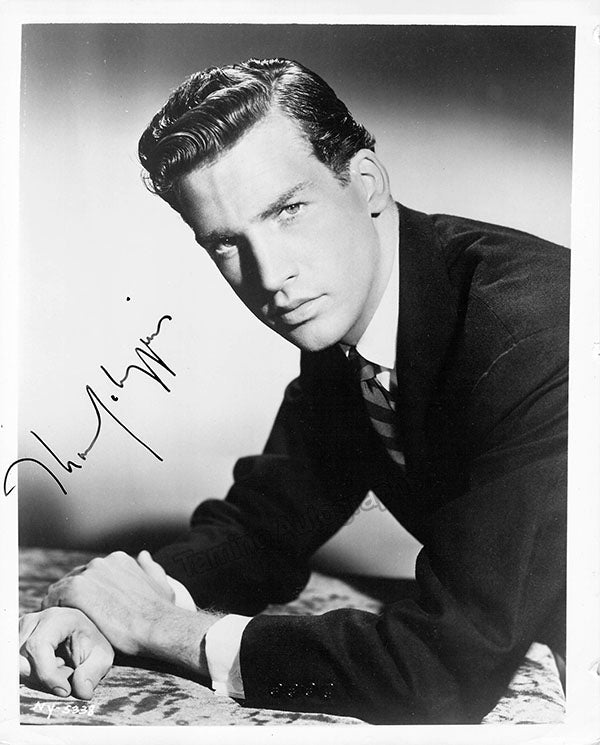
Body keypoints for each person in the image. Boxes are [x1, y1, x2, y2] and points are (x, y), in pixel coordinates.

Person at [19, 58, 569, 724]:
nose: (271, 275)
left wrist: (159, 626)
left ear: (365, 182)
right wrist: (105, 609)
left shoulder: (536, 326)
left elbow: (443, 671)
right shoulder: (354, 318)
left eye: (288, 210)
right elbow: (265, 525)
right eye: (227, 243)